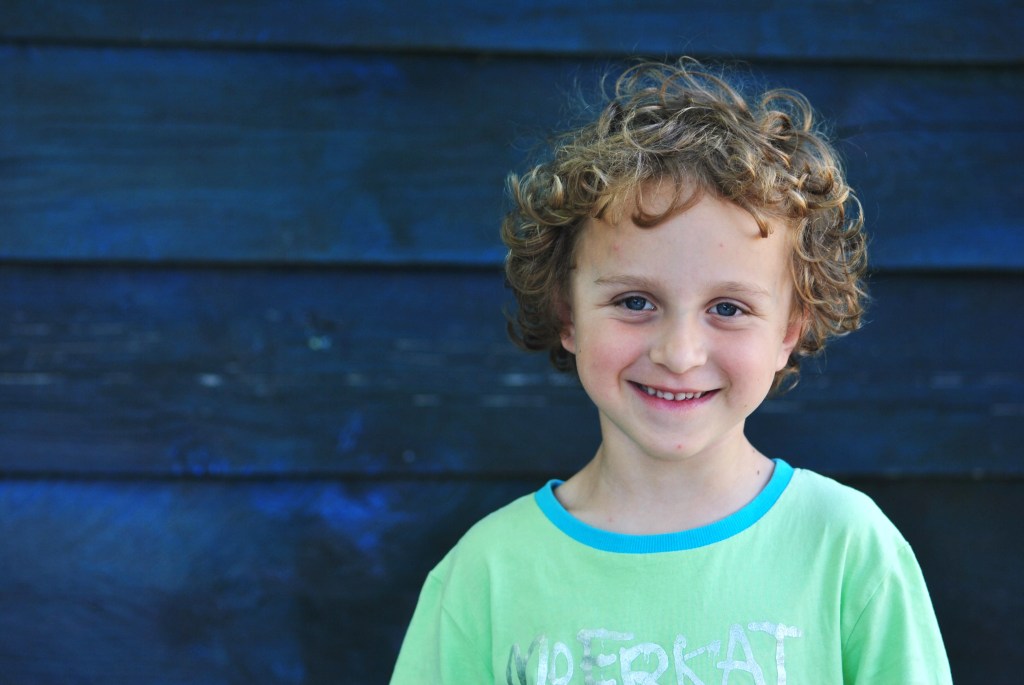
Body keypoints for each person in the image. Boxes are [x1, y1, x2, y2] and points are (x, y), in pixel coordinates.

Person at [389, 58, 952, 684]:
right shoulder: (484, 574)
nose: (679, 354)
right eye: (635, 302)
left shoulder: (849, 550)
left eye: (729, 308)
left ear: (788, 332)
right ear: (566, 313)